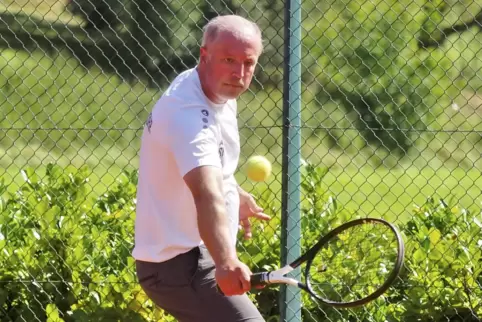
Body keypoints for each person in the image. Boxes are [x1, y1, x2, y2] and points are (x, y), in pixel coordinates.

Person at [132, 14, 271, 322]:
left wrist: (234, 192)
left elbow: (209, 169)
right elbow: (206, 193)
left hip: (190, 255)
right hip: (179, 265)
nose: (239, 73)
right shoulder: (188, 115)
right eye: (229, 60)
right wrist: (226, 262)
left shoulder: (215, 89)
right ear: (204, 56)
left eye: (249, 63)